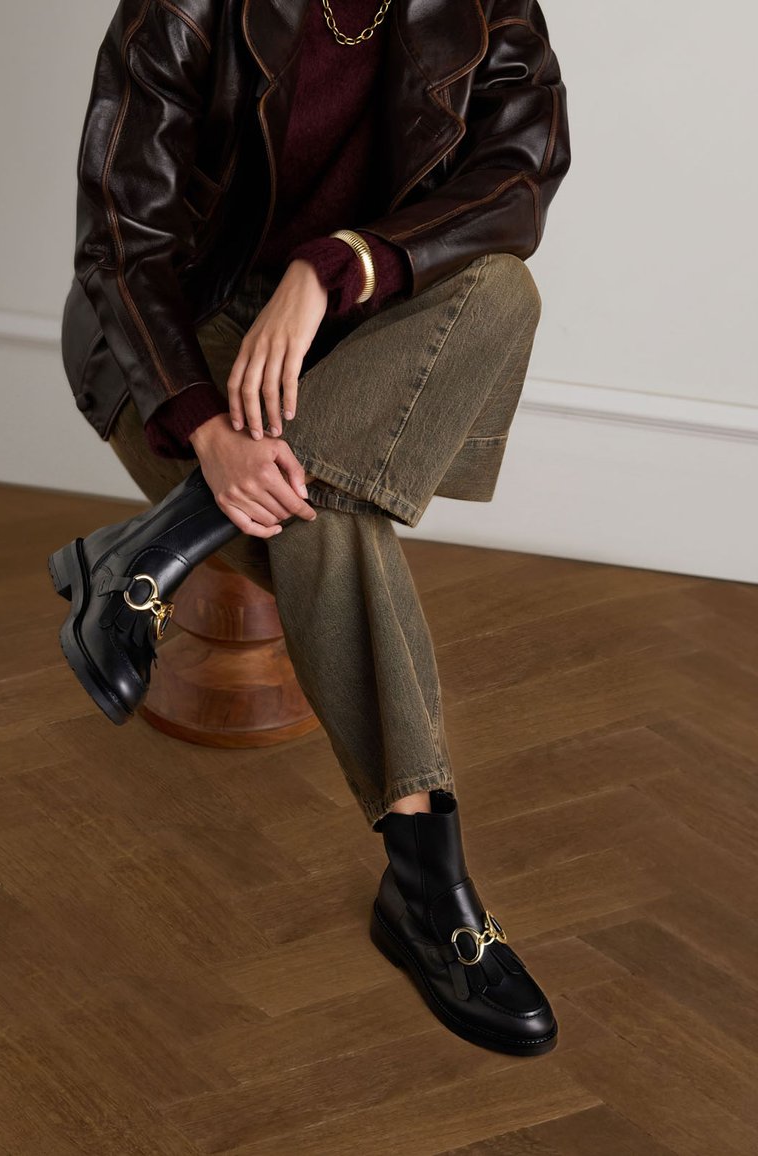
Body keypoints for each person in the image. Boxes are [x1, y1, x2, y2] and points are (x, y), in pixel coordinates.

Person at [52, 0, 571, 1055]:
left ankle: (146, 554)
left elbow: (519, 178)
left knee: (503, 294)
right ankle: (429, 891)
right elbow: (118, 245)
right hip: (177, 343)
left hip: (353, 338)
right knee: (328, 520)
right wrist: (207, 430)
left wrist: (335, 265)